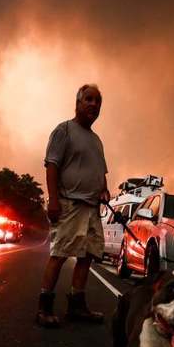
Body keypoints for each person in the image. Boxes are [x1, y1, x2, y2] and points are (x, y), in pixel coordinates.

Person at [36, 84, 111, 327]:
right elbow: (52, 166)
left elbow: (101, 171)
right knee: (59, 254)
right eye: (88, 99)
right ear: (77, 103)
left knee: (87, 256)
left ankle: (76, 307)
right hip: (69, 204)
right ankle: (43, 308)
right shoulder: (64, 130)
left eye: (97, 101)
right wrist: (54, 200)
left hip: (92, 208)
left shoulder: (97, 140)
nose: (93, 104)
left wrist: (104, 189)